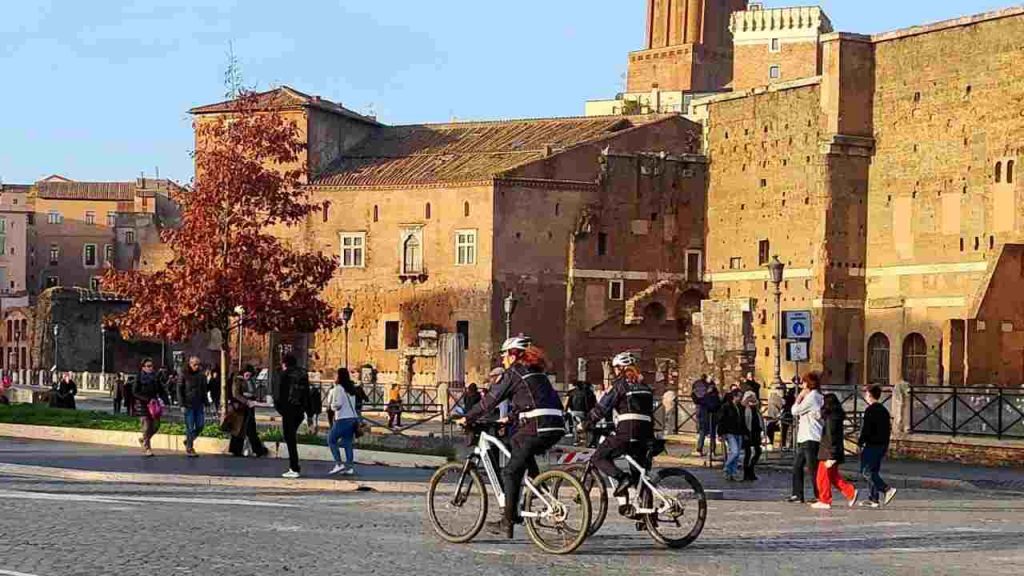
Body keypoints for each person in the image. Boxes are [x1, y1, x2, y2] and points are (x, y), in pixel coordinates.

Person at [460, 336, 565, 539]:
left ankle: (507, 521)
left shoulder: (514, 372)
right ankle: (538, 490)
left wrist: (467, 417)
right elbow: (533, 401)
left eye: (504, 354)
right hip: (555, 426)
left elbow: (491, 399)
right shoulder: (538, 374)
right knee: (519, 450)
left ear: (513, 354)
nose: (502, 359)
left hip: (537, 427)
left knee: (510, 471)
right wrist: (511, 417)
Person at [581, 352, 654, 500]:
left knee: (598, 457)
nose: (614, 372)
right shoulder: (645, 386)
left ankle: (622, 478)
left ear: (621, 368)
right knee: (640, 476)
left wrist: (586, 423)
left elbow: (602, 408)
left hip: (628, 431)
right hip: (646, 435)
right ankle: (647, 518)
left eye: (615, 368)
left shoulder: (620, 385)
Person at [812, 393, 858, 509]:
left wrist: (831, 456)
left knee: (821, 477)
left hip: (829, 452)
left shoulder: (831, 419)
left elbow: (831, 436)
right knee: (833, 476)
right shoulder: (835, 416)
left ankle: (825, 500)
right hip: (833, 451)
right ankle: (850, 492)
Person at [787, 372, 824, 503]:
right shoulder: (817, 396)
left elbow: (795, 411)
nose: (801, 385)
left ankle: (819, 495)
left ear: (808, 384)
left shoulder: (812, 397)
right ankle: (798, 494)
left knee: (812, 468)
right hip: (805, 436)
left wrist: (799, 398)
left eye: (803, 382)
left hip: (811, 436)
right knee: (797, 466)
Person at [858, 385, 896, 508]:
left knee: (866, 471)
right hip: (882, 444)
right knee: (873, 471)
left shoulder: (870, 410)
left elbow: (866, 429)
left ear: (869, 395)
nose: (865, 396)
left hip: (872, 444)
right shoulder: (884, 410)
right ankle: (874, 499)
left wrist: (860, 442)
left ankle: (886, 489)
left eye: (866, 394)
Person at [274, 353, 310, 478]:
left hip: (288, 410)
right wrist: (307, 412)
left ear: (285, 363)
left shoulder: (284, 375)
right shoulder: (303, 374)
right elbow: (307, 394)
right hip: (299, 410)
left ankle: (294, 467)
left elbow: (278, 395)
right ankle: (294, 466)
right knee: (291, 438)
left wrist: (281, 410)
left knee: (290, 439)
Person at [228, 365, 268, 458]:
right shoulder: (238, 380)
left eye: (249, 375)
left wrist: (253, 397)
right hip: (240, 408)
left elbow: (254, 391)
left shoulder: (251, 381)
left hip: (249, 407)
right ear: (243, 373)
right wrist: (246, 401)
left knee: (251, 429)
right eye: (247, 375)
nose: (248, 377)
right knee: (239, 429)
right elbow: (236, 394)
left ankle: (258, 450)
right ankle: (237, 450)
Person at [327, 368, 360, 476]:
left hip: (342, 419)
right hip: (352, 419)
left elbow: (338, 404)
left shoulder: (338, 388)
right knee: (347, 443)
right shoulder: (351, 389)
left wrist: (332, 406)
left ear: (339, 376)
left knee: (331, 440)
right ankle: (350, 467)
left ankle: (338, 463)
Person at [133, 358, 169, 457]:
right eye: (148, 366)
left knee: (156, 426)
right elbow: (135, 392)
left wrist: (166, 401)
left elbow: (161, 390)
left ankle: (144, 439)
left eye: (152, 366)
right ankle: (147, 448)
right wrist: (145, 399)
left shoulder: (155, 377)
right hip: (143, 406)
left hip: (154, 405)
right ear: (143, 367)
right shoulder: (139, 377)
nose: (150, 368)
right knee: (146, 427)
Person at [179, 356, 208, 458]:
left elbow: (204, 390)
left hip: (199, 404)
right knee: (190, 427)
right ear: (190, 364)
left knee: (200, 425)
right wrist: (182, 404)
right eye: (195, 364)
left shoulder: (201, 376)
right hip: (188, 404)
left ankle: (188, 440)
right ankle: (190, 448)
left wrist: (207, 403)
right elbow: (180, 389)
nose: (197, 366)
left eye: (198, 364)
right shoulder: (184, 374)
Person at [717, 390, 746, 481]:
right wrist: (721, 433)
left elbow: (742, 421)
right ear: (734, 396)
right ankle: (727, 467)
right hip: (730, 432)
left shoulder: (740, 407)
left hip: (739, 432)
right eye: (739, 396)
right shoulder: (726, 407)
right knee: (735, 452)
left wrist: (745, 433)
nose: (741, 398)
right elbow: (721, 420)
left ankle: (732, 473)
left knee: (736, 455)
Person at [565, 380, 597, 446]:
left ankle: (576, 440)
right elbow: (593, 403)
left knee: (575, 426)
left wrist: (565, 410)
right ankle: (588, 441)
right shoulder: (589, 392)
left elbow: (567, 402)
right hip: (584, 412)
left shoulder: (572, 392)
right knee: (588, 426)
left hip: (574, 412)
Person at [741, 390, 764, 481]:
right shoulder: (744, 408)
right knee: (748, 453)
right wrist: (745, 433)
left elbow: (759, 418)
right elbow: (743, 422)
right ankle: (746, 473)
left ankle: (751, 468)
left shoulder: (756, 408)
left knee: (758, 451)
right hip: (748, 432)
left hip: (756, 432)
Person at [696, 381, 722, 457]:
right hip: (712, 418)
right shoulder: (716, 397)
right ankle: (712, 450)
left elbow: (698, 402)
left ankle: (700, 449)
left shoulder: (706, 397)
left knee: (703, 434)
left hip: (706, 418)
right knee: (711, 435)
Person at [765, 381, 784, 450]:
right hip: (774, 416)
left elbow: (780, 405)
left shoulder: (775, 397)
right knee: (774, 430)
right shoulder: (773, 397)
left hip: (774, 416)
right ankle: (776, 444)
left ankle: (776, 444)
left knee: (772, 429)